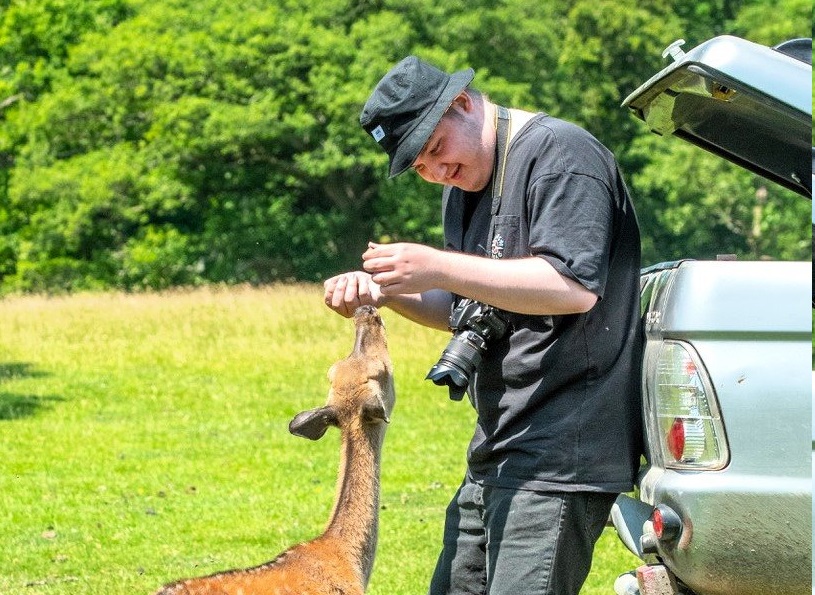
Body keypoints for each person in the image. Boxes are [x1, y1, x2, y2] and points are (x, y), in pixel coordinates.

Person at [323, 55, 643, 595]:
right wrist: (388, 293)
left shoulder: (562, 155)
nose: (435, 171)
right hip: (499, 439)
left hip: (563, 449)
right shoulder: (466, 185)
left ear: (464, 103)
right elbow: (464, 307)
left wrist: (436, 264)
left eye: (436, 149)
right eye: (419, 166)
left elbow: (574, 289)